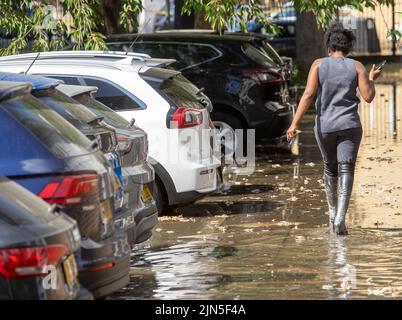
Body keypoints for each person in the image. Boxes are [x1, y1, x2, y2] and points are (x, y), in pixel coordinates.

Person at [286, 21, 382, 235]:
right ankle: (340, 218)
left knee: (330, 168)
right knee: (347, 168)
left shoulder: (318, 65)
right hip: (350, 125)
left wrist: (294, 123)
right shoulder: (357, 67)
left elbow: (309, 95)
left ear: (329, 46)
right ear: (348, 48)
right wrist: (371, 79)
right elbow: (368, 97)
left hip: (325, 127)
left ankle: (332, 213)